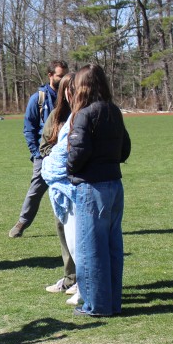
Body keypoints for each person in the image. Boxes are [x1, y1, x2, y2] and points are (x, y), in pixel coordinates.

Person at [67, 63, 130, 317]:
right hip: (114, 184)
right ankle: (113, 302)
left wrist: (69, 169)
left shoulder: (85, 114)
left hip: (92, 187)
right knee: (112, 247)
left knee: (90, 249)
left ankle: (96, 305)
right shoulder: (114, 111)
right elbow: (125, 149)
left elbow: (78, 152)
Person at [9, 59, 68, 238]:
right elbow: (29, 128)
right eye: (60, 75)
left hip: (66, 152)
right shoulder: (38, 99)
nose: (64, 78)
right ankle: (22, 222)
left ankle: (71, 225)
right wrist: (37, 153)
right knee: (35, 190)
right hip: (45, 153)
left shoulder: (70, 96)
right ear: (50, 75)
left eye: (66, 75)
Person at [39, 74, 80, 306]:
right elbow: (44, 146)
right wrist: (57, 155)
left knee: (79, 235)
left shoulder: (84, 115)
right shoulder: (56, 116)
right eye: (69, 88)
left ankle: (82, 280)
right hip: (59, 185)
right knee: (63, 231)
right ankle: (70, 277)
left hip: (79, 184)